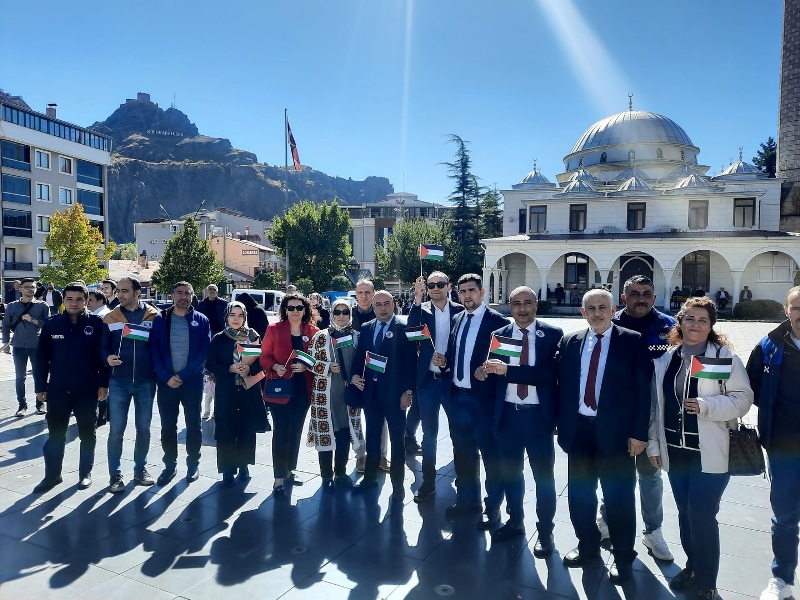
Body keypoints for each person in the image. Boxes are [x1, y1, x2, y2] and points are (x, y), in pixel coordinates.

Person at [650, 296, 753, 600]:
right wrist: (654, 444)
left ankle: (708, 582)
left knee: (702, 515)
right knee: (685, 513)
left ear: (711, 326)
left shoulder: (723, 358)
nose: (695, 325)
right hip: (675, 450)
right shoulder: (667, 359)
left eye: (702, 320)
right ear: (680, 322)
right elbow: (656, 406)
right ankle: (693, 567)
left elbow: (743, 399)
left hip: (711, 453)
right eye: (690, 319)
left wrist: (708, 406)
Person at [557, 288, 650, 584]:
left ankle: (623, 557)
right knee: (580, 497)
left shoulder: (632, 341)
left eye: (602, 308)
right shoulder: (570, 342)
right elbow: (561, 385)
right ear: (582, 312)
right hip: (579, 432)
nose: (597, 313)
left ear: (613, 311)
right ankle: (587, 546)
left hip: (617, 435)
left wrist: (639, 433)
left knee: (618, 499)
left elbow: (643, 392)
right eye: (591, 308)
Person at [596, 275, 676, 561]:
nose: (640, 298)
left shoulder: (670, 328)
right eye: (634, 293)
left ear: (654, 297)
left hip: (655, 416)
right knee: (614, 473)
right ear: (623, 297)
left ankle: (653, 531)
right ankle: (606, 520)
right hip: (617, 415)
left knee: (650, 474)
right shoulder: (610, 324)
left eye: (646, 293)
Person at [483, 286, 561, 552]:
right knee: (511, 475)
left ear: (536, 304)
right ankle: (515, 521)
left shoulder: (552, 335)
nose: (522, 309)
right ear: (510, 306)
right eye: (516, 303)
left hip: (538, 418)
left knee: (544, 478)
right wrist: (484, 372)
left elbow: (547, 375)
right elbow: (494, 374)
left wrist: (509, 371)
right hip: (508, 416)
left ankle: (546, 531)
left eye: (528, 303)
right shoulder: (499, 335)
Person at [437, 273, 508, 528]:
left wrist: (488, 370)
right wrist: (444, 361)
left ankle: (493, 507)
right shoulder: (458, 318)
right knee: (463, 454)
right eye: (463, 291)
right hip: (458, 398)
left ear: (482, 292)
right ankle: (467, 501)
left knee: (491, 456)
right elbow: (456, 353)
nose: (467, 295)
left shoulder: (498, 322)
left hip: (483, 403)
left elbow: (506, 362)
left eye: (471, 290)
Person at [746, 286, 800, 600]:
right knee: (785, 516)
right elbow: (750, 385)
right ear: (786, 310)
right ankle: (781, 579)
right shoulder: (770, 345)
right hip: (782, 447)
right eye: (797, 307)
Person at [32, 282, 109, 492]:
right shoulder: (52, 324)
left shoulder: (97, 324)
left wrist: (104, 384)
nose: (74, 303)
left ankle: (85, 474)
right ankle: (52, 476)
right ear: (63, 300)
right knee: (56, 435)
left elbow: (104, 357)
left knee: (87, 434)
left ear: (86, 301)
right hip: (58, 389)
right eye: (69, 299)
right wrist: (40, 386)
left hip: (87, 390)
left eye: (79, 299)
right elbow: (41, 359)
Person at [350, 290, 417, 499]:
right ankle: (369, 479)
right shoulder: (366, 328)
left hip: (396, 396)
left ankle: (398, 485)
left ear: (393, 304)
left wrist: (408, 392)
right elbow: (360, 356)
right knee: (372, 438)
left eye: (386, 303)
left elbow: (411, 363)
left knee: (397, 442)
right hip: (371, 394)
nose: (383, 308)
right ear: (373, 306)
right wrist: (354, 375)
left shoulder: (404, 328)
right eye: (378, 304)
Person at [407, 271, 464, 502]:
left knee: (458, 431)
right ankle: (428, 481)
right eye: (431, 285)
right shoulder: (421, 310)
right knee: (429, 434)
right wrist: (417, 298)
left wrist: (448, 361)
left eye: (440, 284)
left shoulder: (460, 311)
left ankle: (463, 476)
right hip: (428, 381)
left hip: (452, 382)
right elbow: (410, 332)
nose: (436, 288)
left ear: (449, 286)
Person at [102, 276, 161, 492]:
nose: (120, 294)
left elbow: (160, 346)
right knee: (116, 430)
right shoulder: (110, 317)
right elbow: (102, 346)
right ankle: (115, 475)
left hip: (146, 381)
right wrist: (107, 358)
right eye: (118, 290)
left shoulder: (154, 315)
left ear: (138, 292)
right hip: (119, 381)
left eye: (125, 291)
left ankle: (140, 469)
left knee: (143, 430)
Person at [150, 281, 211, 484]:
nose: (183, 296)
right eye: (179, 293)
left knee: (194, 425)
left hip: (192, 383)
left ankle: (193, 464)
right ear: (172, 295)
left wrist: (183, 376)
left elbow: (204, 352)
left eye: (187, 293)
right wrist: (166, 376)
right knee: (168, 426)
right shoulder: (161, 319)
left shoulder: (201, 320)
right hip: (166, 383)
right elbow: (154, 350)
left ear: (193, 296)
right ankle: (170, 465)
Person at [260, 293, 318, 498]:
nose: (295, 311)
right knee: (281, 433)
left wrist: (306, 366)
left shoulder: (313, 331)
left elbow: (318, 360)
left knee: (295, 432)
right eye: (291, 308)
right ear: (285, 310)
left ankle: (289, 470)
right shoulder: (274, 329)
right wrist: (275, 366)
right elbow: (264, 356)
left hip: (303, 389)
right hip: (280, 389)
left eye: (299, 308)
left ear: (305, 310)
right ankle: (278, 478)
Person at [205, 301, 268, 486]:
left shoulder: (252, 336)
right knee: (226, 429)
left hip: (248, 390)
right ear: (226, 316)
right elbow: (210, 364)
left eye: (240, 315)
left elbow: (261, 362)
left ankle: (244, 465)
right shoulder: (219, 338)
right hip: (226, 391)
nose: (236, 319)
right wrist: (229, 368)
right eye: (232, 315)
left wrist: (250, 369)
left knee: (246, 429)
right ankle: (227, 469)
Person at [308, 298, 365, 489]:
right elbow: (309, 362)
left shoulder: (357, 337)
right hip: (325, 394)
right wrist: (326, 367)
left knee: (345, 433)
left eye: (345, 312)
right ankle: (326, 475)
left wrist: (358, 376)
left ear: (350, 314)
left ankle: (340, 472)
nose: (341, 316)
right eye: (337, 312)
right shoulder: (320, 336)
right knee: (325, 433)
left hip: (348, 395)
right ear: (331, 314)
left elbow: (364, 362)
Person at [2, 277, 50, 417]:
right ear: (20, 289)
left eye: (32, 287)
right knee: (20, 377)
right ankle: (22, 405)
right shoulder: (12, 306)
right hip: (18, 345)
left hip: (37, 346)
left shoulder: (42, 305)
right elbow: (5, 325)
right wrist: (6, 343)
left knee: (39, 375)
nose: (30, 289)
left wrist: (33, 320)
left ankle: (40, 403)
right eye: (27, 287)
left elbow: (48, 325)